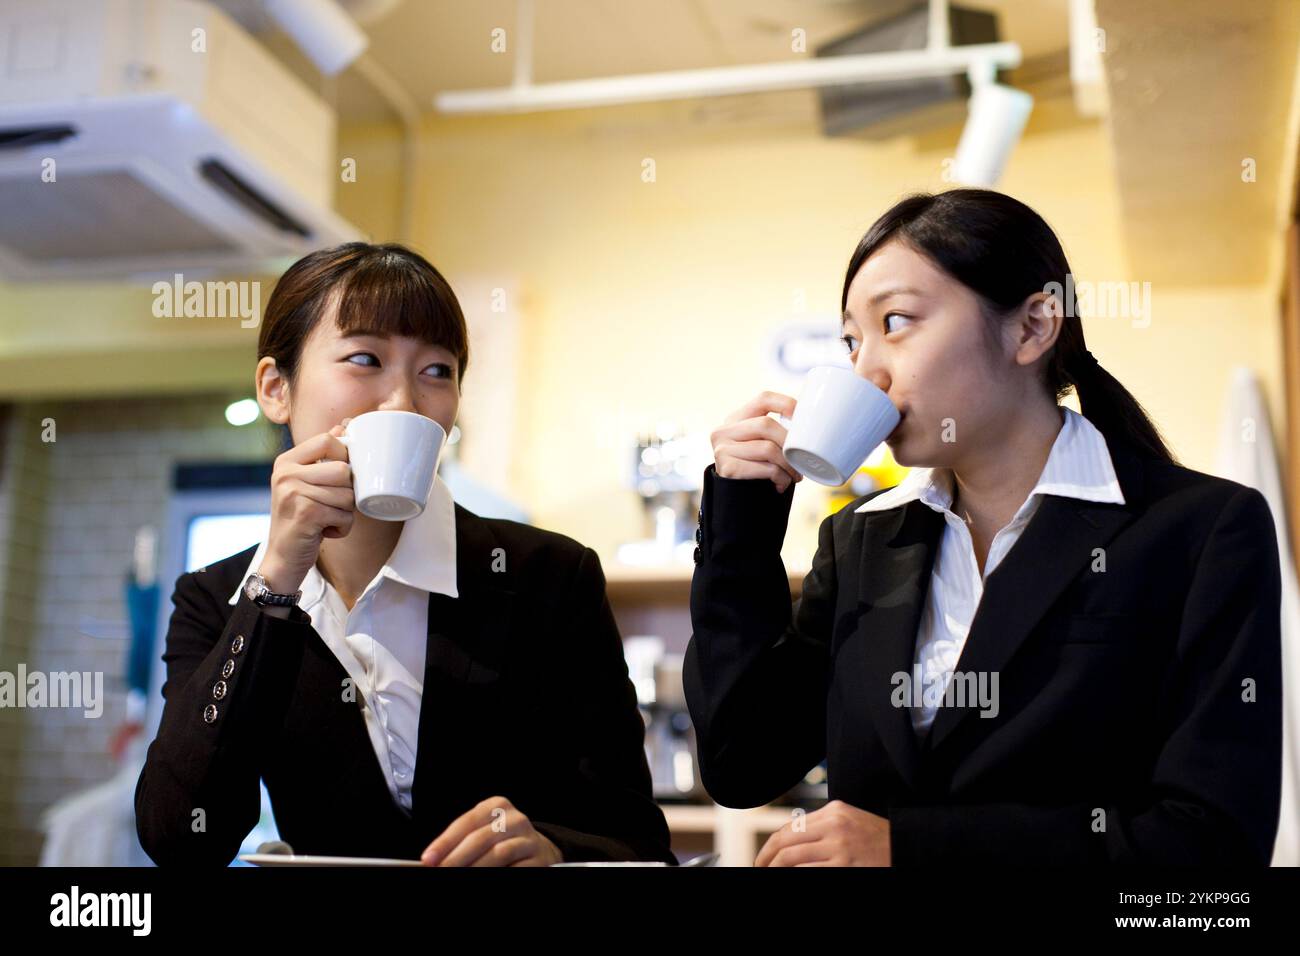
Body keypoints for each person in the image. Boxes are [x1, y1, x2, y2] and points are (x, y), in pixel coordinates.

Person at [686, 188, 1283, 866]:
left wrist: (908, 849)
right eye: (852, 340)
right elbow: (742, 764)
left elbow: (1212, 845)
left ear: (1032, 327)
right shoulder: (863, 540)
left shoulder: (1196, 532)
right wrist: (742, 521)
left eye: (898, 322)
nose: (867, 370)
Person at [135, 242, 676, 866]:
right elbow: (183, 837)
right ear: (276, 388)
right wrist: (277, 580)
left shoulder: (549, 577)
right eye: (365, 359)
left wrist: (554, 851)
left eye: (437, 371)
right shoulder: (220, 598)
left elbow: (639, 841)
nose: (405, 402)